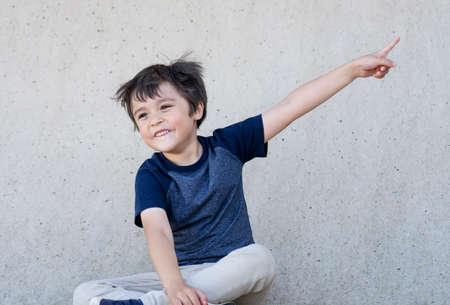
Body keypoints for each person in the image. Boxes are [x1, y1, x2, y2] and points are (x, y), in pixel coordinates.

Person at [73, 37, 400, 305]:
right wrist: (174, 287)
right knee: (86, 293)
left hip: (233, 281)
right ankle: (170, 301)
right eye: (142, 115)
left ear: (196, 109)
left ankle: (164, 304)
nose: (153, 119)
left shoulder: (227, 145)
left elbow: (290, 107)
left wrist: (353, 69)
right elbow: (157, 231)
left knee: (260, 258)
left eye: (165, 106)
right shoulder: (151, 174)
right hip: (183, 278)